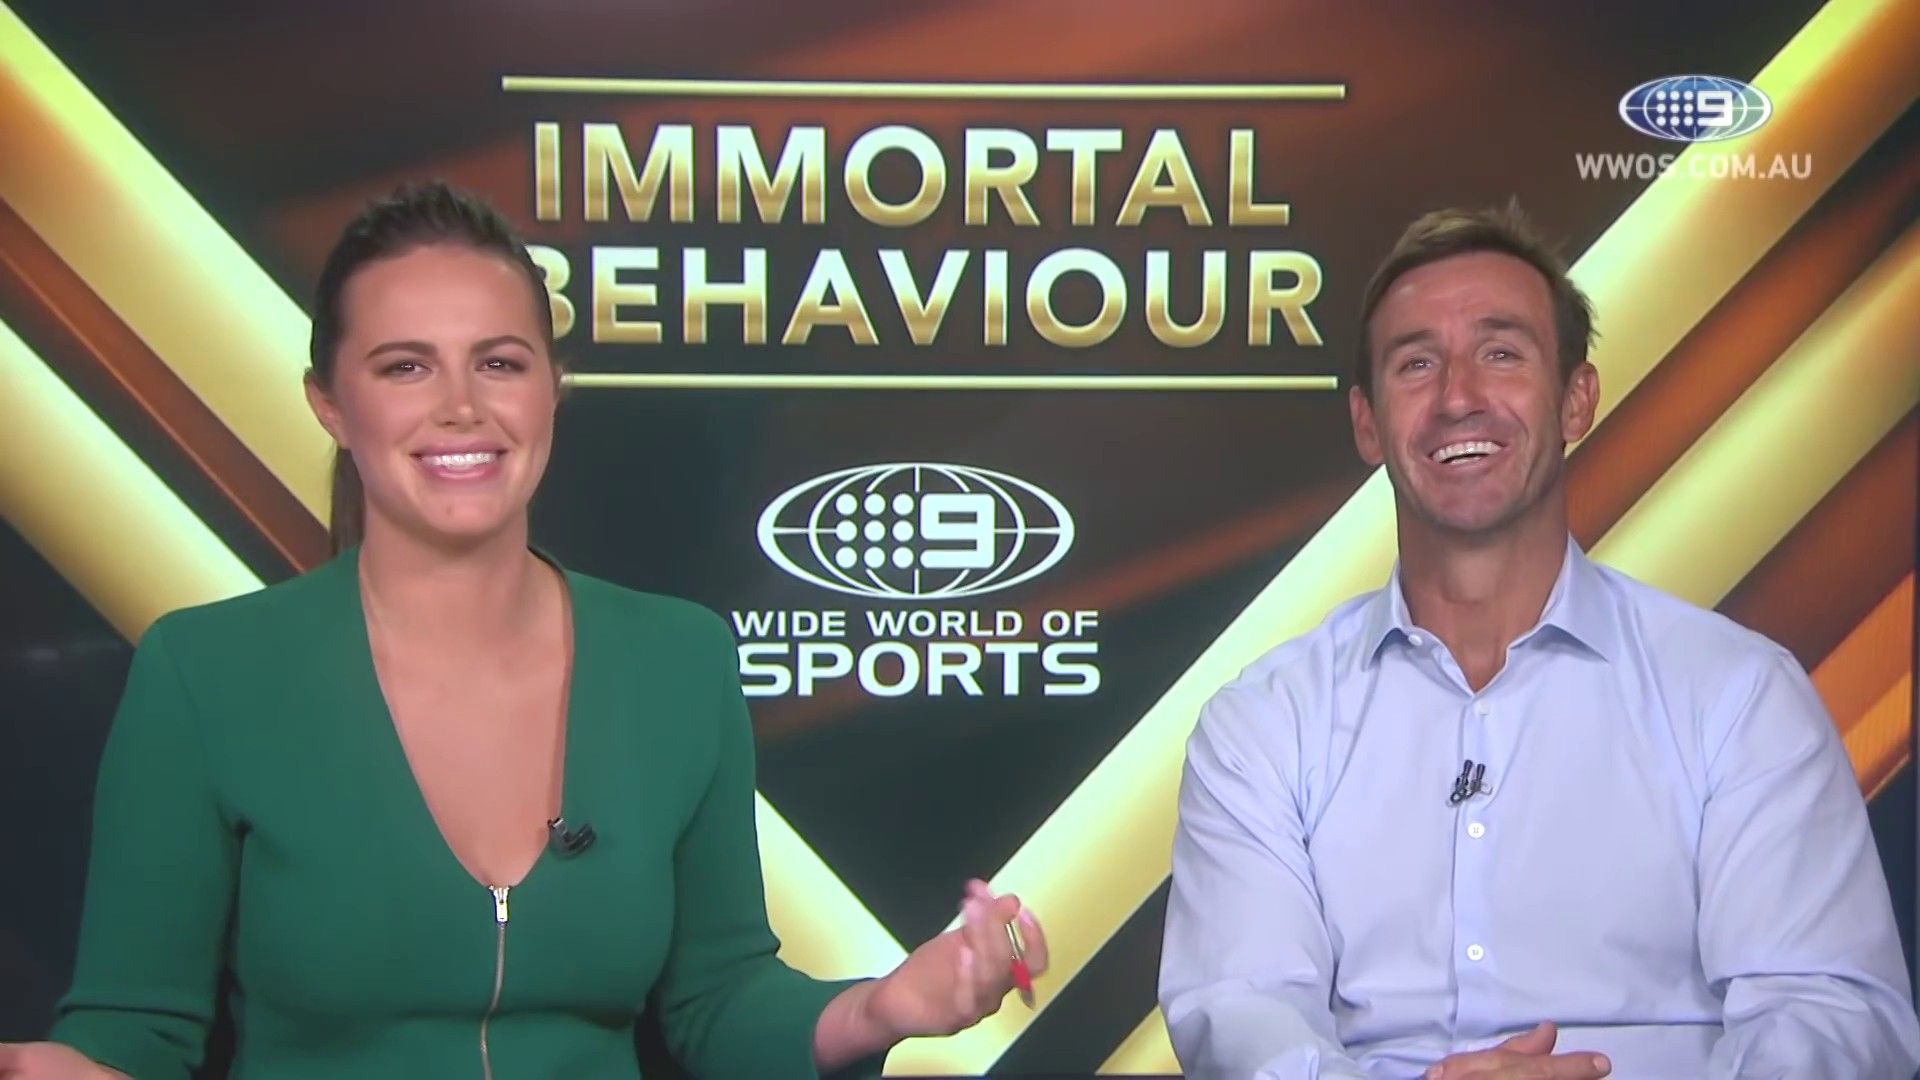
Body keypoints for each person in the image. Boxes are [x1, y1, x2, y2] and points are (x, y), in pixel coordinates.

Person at [0, 182, 1046, 1079]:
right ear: (329, 404)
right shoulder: (207, 672)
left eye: (499, 363)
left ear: (553, 387)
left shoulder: (677, 663)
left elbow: (718, 1000)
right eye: (405, 367)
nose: (462, 407)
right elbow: (136, 1030)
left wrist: (886, 1006)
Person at [1157, 203, 1919, 1078]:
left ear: (1576, 399)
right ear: (1367, 424)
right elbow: (1243, 1013)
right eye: (1416, 364)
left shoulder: (1737, 696)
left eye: (1501, 353)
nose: (1457, 398)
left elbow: (1830, 1014)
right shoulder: (1264, 723)